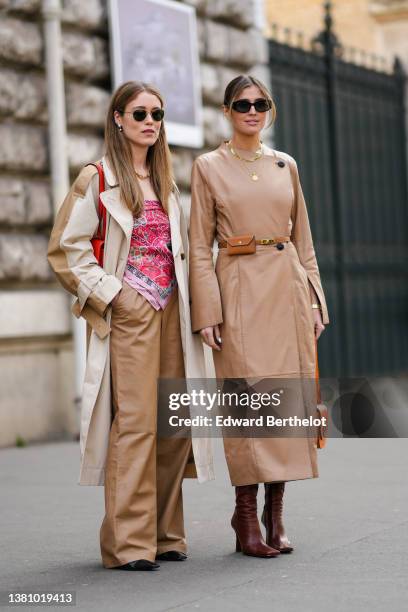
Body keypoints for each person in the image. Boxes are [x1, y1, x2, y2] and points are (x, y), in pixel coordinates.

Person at [47, 81, 213, 571]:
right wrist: (114, 295)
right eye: (139, 113)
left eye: (157, 115)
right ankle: (128, 544)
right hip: (131, 312)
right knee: (137, 423)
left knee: (173, 424)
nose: (149, 122)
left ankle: (165, 534)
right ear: (118, 118)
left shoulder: (167, 182)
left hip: (173, 313)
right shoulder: (97, 177)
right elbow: (65, 250)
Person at [188, 74, 330, 558]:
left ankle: (276, 514)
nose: (252, 110)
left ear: (269, 110)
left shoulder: (285, 164)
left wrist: (315, 300)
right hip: (239, 292)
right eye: (242, 103)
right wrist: (207, 309)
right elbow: (198, 246)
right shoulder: (207, 166)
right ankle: (245, 514)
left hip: (287, 288)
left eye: (260, 103)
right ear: (227, 111)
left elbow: (304, 240)